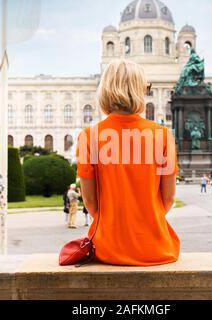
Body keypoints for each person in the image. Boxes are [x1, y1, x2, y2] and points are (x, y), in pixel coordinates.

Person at [76, 59, 180, 266]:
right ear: (139, 90)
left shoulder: (89, 136)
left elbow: (90, 202)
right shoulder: (162, 135)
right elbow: (168, 199)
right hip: (157, 249)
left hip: (108, 249)